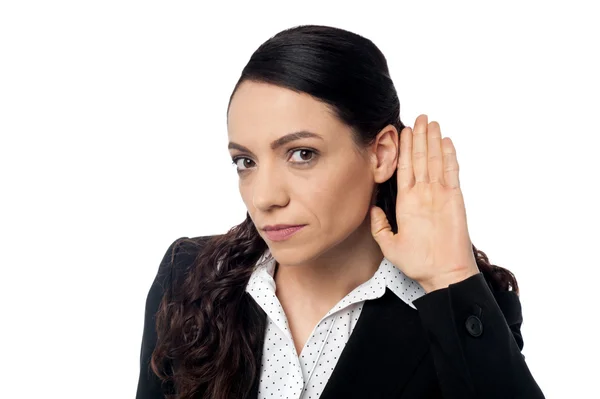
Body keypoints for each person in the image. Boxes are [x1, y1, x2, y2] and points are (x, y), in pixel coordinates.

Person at [136, 24, 545, 399]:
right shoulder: (188, 276)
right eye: (246, 161)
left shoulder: (462, 308)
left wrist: (450, 278)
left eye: (301, 154)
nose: (264, 197)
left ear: (381, 154)